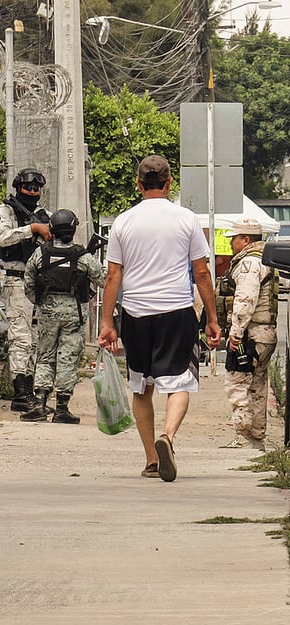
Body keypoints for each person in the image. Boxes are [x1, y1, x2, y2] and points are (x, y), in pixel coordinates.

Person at [97, 155, 222, 482]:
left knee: (141, 387)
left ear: (138, 185)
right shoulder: (186, 219)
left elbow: (113, 276)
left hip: (135, 314)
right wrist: (212, 318)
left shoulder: (123, 222)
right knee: (181, 381)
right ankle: (167, 435)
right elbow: (201, 273)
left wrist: (108, 322)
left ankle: (152, 459)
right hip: (176, 312)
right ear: (169, 183)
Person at [21, 209, 106, 423]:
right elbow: (103, 279)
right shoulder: (82, 255)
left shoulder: (41, 253)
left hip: (47, 312)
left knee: (45, 356)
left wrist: (39, 302)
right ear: (73, 229)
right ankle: (61, 409)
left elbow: (28, 281)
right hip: (74, 313)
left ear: (52, 229)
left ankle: (39, 404)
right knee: (67, 359)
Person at [217, 218, 277, 450]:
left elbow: (245, 298)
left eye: (234, 239)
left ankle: (243, 435)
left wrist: (236, 332)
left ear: (246, 240)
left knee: (237, 381)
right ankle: (257, 437)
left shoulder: (249, 263)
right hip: (265, 332)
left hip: (250, 333)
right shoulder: (266, 260)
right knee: (258, 385)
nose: (232, 243)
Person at [0, 167, 53, 412]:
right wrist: (32, 230)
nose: (32, 192)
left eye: (36, 188)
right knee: (21, 338)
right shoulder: (6, 210)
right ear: (18, 187)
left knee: (36, 340)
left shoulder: (43, 214)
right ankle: (20, 394)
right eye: (28, 187)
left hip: (37, 282)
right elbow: (2, 238)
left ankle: (30, 392)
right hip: (15, 279)